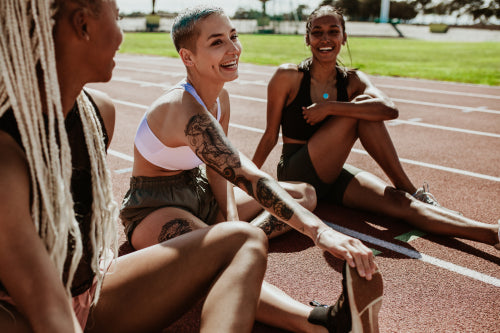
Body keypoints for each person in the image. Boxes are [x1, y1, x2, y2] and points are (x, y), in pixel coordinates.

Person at [0, 1, 270, 332]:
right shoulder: (6, 149)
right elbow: (41, 300)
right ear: (83, 26)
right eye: (117, 17)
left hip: (88, 290)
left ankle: (319, 321)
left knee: (243, 238)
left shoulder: (98, 114)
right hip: (22, 313)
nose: (122, 35)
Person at [120, 5, 383, 333]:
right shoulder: (183, 110)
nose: (233, 49)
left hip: (199, 190)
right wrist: (320, 232)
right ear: (188, 57)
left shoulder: (220, 98)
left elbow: (218, 171)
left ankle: (243, 238)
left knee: (305, 194)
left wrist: (233, 225)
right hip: (154, 207)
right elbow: (249, 176)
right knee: (224, 264)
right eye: (217, 42)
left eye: (233, 36)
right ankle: (323, 322)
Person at [252, 5, 500, 250]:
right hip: (297, 172)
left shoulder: (352, 81)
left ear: (344, 37)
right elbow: (270, 136)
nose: (325, 39)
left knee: (399, 203)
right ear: (307, 39)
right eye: (317, 32)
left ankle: (492, 234)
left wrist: (329, 108)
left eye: (333, 31)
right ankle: (411, 189)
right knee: (361, 110)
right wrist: (244, 182)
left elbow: (389, 109)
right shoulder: (288, 76)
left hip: (332, 175)